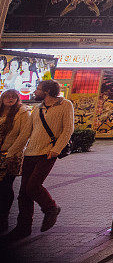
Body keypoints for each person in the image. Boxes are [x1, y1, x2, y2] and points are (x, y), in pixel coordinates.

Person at [5, 79, 72, 240]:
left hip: (47, 153)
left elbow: (68, 129)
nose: (35, 91)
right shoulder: (37, 109)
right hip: (30, 154)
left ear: (47, 91)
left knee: (33, 186)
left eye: (38, 89)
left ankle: (51, 208)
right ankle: (23, 227)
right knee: (23, 193)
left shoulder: (65, 105)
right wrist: (11, 152)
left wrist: (56, 150)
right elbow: (26, 133)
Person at [0, 90, 31, 233]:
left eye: (13, 97)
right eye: (7, 96)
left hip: (10, 155)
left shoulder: (22, 113)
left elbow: (24, 134)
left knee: (5, 186)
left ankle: (3, 218)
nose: (10, 99)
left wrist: (12, 152)